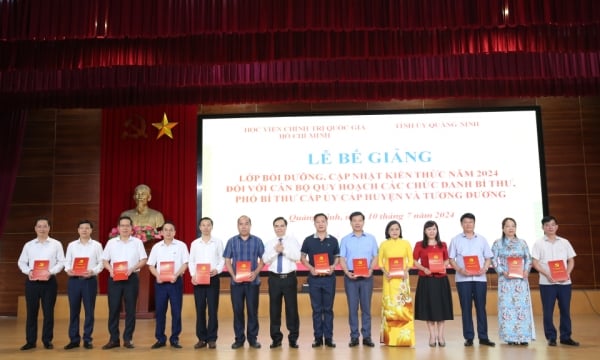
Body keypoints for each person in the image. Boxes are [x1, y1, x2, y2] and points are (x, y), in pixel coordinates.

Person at [17, 217, 65, 350]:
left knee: (48, 312)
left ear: (49, 228)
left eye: (45, 226)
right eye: (39, 226)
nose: (42, 229)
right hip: (32, 282)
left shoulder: (56, 244)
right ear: (35, 229)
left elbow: (62, 262)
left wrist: (51, 272)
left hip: (49, 282)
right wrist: (29, 271)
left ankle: (47, 340)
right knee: (31, 312)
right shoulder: (29, 245)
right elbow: (21, 262)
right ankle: (30, 341)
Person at [101, 216, 148, 350]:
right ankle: (113, 339)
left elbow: (143, 259)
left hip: (131, 278)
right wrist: (110, 270)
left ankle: (128, 338)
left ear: (132, 228)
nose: (125, 228)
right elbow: (104, 260)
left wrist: (132, 268)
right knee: (114, 309)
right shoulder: (111, 243)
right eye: (122, 225)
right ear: (118, 228)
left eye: (127, 225)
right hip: (114, 278)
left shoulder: (137, 242)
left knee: (131, 309)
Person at [448, 213, 495, 347]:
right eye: (465, 222)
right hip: (463, 280)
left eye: (471, 222)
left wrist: (485, 268)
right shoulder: (455, 239)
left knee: (481, 307)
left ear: (474, 223)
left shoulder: (482, 239)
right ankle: (469, 337)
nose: (468, 224)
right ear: (461, 224)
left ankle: (483, 337)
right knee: (466, 308)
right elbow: (451, 259)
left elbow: (488, 257)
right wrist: (460, 270)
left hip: (480, 279)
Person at [532, 215, 579, 347]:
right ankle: (551, 337)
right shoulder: (538, 243)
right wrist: (547, 274)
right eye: (547, 225)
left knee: (565, 310)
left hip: (564, 283)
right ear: (542, 228)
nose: (550, 227)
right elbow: (535, 263)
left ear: (557, 227)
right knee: (548, 311)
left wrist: (567, 273)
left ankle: (566, 337)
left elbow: (571, 260)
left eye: (553, 225)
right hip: (547, 283)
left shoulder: (565, 242)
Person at [223, 215, 265, 349]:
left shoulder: (258, 241)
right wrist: (233, 275)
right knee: (238, 312)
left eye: (246, 223)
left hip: (253, 283)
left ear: (250, 225)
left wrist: (256, 272)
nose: (244, 226)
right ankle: (239, 339)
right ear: (238, 226)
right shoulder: (231, 241)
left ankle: (253, 339)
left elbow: (263, 260)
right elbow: (227, 261)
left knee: (253, 311)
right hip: (236, 283)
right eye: (241, 224)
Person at [491, 217, 535, 345]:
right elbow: (493, 260)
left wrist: (526, 271)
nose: (510, 228)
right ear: (503, 228)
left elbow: (528, 259)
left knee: (521, 308)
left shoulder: (522, 243)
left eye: (513, 226)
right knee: (507, 309)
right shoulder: (498, 243)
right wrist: (502, 271)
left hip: (520, 281)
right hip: (506, 281)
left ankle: (523, 337)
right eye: (507, 226)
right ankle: (510, 337)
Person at [339, 211, 379, 348]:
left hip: (367, 276)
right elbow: (342, 259)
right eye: (354, 220)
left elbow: (375, 257)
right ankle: (354, 337)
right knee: (352, 308)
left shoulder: (371, 238)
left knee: (366, 308)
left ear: (363, 222)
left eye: (359, 220)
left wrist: (370, 270)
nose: (357, 223)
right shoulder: (345, 239)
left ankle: (367, 337)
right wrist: (346, 272)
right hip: (351, 276)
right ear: (350, 223)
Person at [147, 221, 189, 349]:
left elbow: (185, 264)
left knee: (176, 311)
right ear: (162, 232)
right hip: (160, 283)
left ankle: (174, 338)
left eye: (171, 230)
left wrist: (176, 275)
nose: (168, 232)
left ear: (175, 232)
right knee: (160, 311)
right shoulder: (156, 247)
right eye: (166, 230)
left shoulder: (181, 245)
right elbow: (150, 265)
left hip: (175, 282)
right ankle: (160, 338)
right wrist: (157, 276)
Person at [300, 213, 340, 348]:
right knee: (317, 309)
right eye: (318, 222)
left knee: (328, 309)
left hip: (329, 279)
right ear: (314, 224)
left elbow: (337, 257)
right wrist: (310, 268)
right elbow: (302, 258)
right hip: (314, 279)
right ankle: (317, 338)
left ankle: (329, 338)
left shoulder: (333, 240)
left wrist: (333, 266)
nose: (321, 224)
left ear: (327, 223)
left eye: (323, 221)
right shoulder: (308, 240)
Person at [63, 220, 104, 350]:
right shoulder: (71, 245)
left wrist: (93, 271)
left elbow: (101, 263)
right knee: (74, 311)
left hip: (89, 281)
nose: (84, 230)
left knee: (89, 311)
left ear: (91, 230)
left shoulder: (97, 245)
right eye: (82, 228)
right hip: (74, 281)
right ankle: (74, 339)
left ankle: (87, 339)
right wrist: (68, 269)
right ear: (78, 230)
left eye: (87, 228)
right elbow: (67, 262)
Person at [262, 217, 301, 349]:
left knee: (292, 310)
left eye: (282, 226)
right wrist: (275, 251)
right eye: (277, 226)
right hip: (274, 279)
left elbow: (297, 257)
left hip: (289, 278)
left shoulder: (292, 241)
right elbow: (266, 260)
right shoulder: (269, 243)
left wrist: (283, 250)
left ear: (286, 227)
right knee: (274, 310)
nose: (279, 228)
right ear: (274, 228)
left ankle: (293, 338)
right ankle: (276, 339)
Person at [413, 220, 453, 347]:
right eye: (429, 229)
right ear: (425, 231)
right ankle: (432, 336)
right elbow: (414, 261)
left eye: (434, 229)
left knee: (441, 308)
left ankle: (441, 336)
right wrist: (424, 269)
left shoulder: (443, 245)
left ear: (437, 230)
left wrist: (442, 266)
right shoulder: (420, 245)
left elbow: (447, 260)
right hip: (426, 279)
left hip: (441, 280)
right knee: (429, 308)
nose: (431, 231)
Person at [189, 217, 225, 349]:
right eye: (203, 225)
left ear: (212, 227)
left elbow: (222, 259)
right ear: (199, 227)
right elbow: (191, 261)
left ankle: (212, 339)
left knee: (213, 310)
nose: (205, 227)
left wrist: (217, 270)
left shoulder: (218, 242)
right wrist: (193, 275)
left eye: (208, 225)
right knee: (200, 310)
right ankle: (201, 338)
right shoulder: (194, 243)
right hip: (198, 280)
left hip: (213, 278)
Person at [378, 220, 415, 347]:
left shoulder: (406, 243)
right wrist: (385, 272)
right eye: (392, 229)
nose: (395, 231)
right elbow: (380, 262)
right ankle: (390, 339)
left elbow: (410, 261)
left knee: (403, 308)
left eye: (397, 229)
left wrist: (406, 271)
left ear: (400, 231)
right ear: (388, 231)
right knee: (390, 308)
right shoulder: (384, 244)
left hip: (402, 281)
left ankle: (404, 339)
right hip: (389, 279)